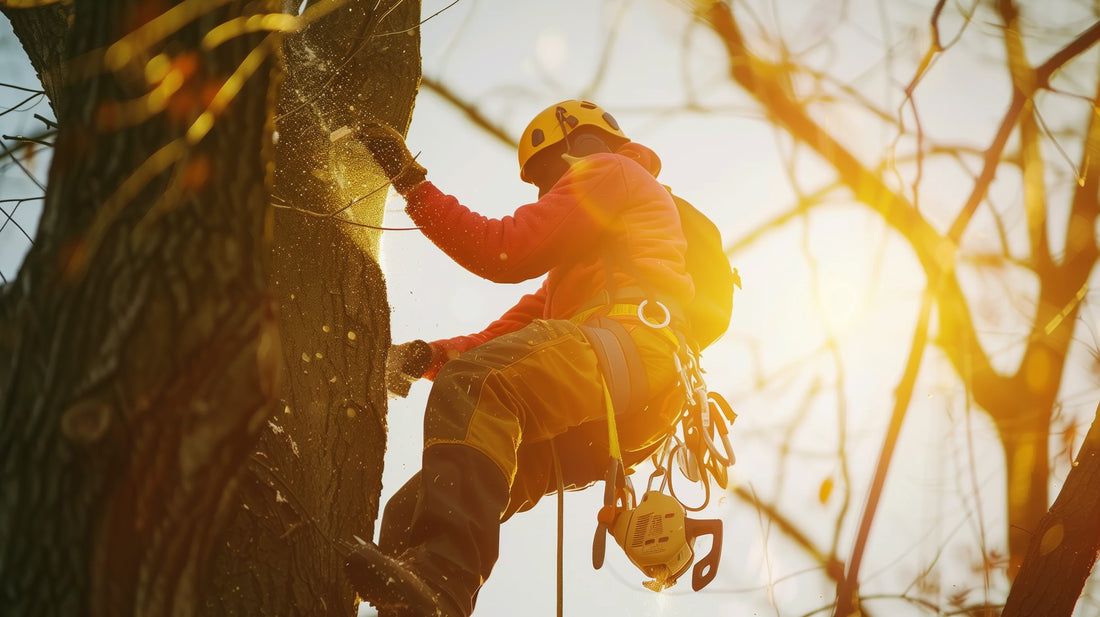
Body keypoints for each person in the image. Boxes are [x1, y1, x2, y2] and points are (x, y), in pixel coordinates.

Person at [345, 100, 695, 617]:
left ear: (580, 143)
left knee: (475, 385)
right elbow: (510, 334)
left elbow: (503, 249)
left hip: (633, 349)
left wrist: (410, 182)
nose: (544, 192)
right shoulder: (578, 277)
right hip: (615, 406)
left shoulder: (611, 170)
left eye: (546, 174)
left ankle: (446, 581)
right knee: (408, 515)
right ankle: (420, 603)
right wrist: (427, 358)